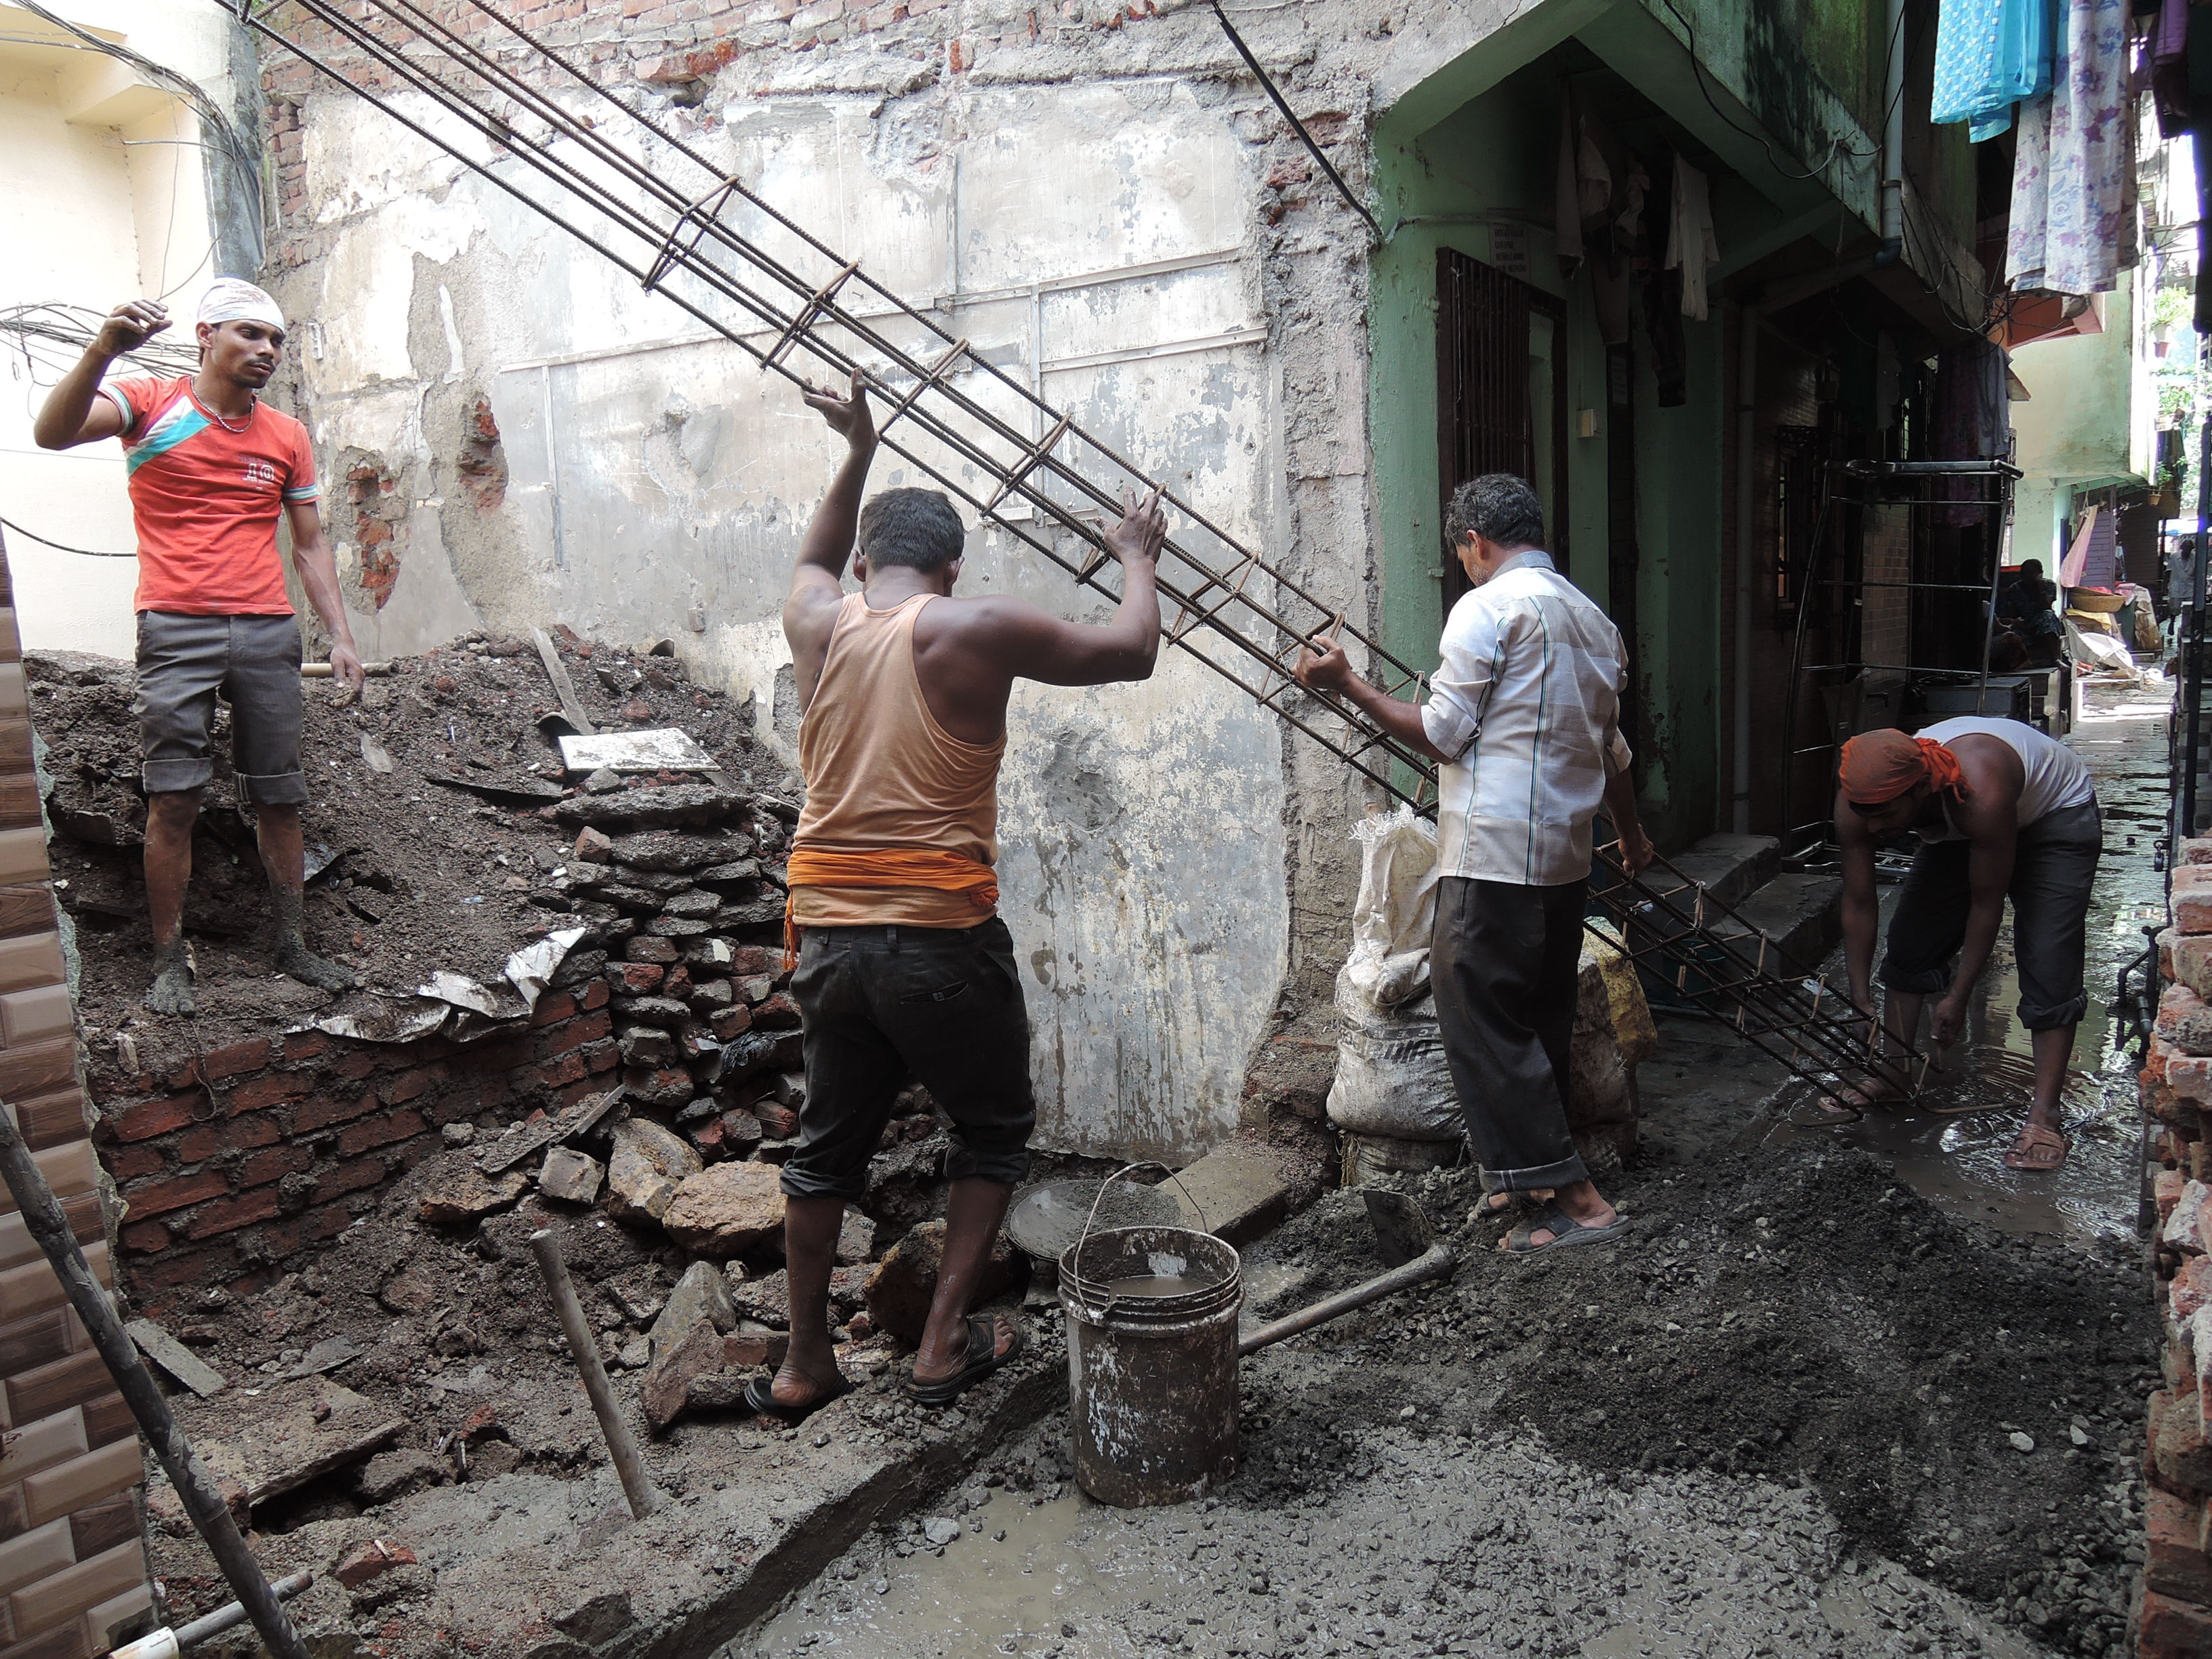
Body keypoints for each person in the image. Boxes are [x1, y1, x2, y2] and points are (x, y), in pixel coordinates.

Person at [760, 369, 1168, 1422]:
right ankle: (941, 1345)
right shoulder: (972, 626)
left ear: (865, 566)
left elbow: (811, 560)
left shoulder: (817, 621)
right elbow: (1132, 651)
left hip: (826, 933)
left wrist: (858, 449)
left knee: (824, 1150)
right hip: (938, 934)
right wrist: (1135, 556)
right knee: (992, 1131)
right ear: (953, 568)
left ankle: (804, 1364)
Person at [1293, 474, 1655, 1256]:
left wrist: (1347, 683)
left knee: (1482, 1023)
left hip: (1493, 858)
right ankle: (1525, 1182)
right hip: (1564, 864)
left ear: (1475, 542)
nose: (1464, 565)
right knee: (1538, 1021)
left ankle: (1579, 1203)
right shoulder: (1595, 623)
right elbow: (1613, 750)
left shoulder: (1488, 608)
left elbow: (1443, 734)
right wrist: (1631, 836)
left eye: (1462, 553)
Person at [32, 281, 365, 1014]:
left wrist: (341, 636)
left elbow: (310, 546)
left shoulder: (287, 435)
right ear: (207, 335)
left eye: (275, 340)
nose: (267, 350)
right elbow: (52, 433)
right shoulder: (150, 402)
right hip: (176, 625)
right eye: (250, 334)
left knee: (279, 795)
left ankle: (291, 944)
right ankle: (168, 962)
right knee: (175, 797)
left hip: (266, 628)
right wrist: (102, 350)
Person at [1832, 716, 2100, 1171]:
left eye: (1886, 815)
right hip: (1961, 822)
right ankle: (1895, 1074)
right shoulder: (1860, 799)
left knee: (2048, 957)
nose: (1874, 826)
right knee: (1911, 941)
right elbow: (1858, 903)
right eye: (1866, 814)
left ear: (1921, 789)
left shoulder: (1980, 791)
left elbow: (1986, 903)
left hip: (2053, 817)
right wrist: (1859, 999)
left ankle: (2044, 1115)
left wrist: (1959, 996)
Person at [1996, 558, 2064, 667]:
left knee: (2048, 616)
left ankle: (2056, 659)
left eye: (2032, 573)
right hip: (2024, 622)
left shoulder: (2048, 585)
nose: (2028, 576)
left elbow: (2046, 607)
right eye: (2025, 573)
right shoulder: (2016, 588)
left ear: (2040, 574)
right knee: (2012, 635)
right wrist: (2017, 623)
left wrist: (2040, 588)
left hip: (2041, 620)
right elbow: (2012, 613)